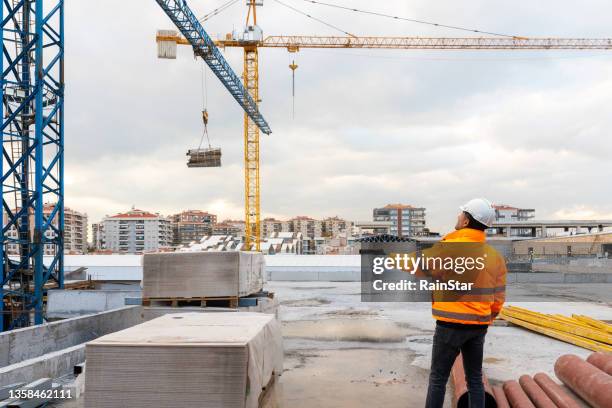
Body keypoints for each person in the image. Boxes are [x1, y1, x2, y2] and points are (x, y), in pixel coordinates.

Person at [423, 198, 507, 408]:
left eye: (461, 213)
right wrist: (488, 317)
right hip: (478, 325)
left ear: (467, 221)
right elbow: (498, 299)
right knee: (475, 380)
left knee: (438, 379)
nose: (458, 216)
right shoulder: (494, 257)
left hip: (449, 325)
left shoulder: (447, 247)